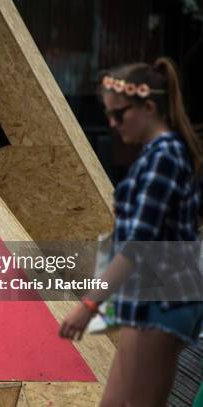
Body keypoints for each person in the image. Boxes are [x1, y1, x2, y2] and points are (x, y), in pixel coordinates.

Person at [59, 57, 203, 406]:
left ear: (149, 108)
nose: (111, 123)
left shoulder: (165, 158)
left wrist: (89, 305)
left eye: (119, 114)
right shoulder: (160, 155)